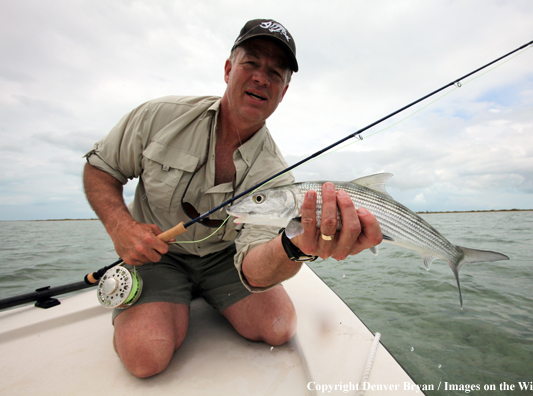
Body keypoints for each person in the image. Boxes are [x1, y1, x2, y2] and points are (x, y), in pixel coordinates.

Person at [83, 19, 383, 378]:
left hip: (226, 259)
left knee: (279, 326)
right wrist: (121, 226)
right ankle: (177, 294)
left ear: (284, 92)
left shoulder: (277, 175)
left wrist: (297, 245)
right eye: (251, 63)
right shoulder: (159, 116)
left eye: (275, 72)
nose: (261, 78)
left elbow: (255, 268)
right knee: (146, 357)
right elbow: (101, 168)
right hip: (157, 253)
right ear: (228, 70)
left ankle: (204, 292)